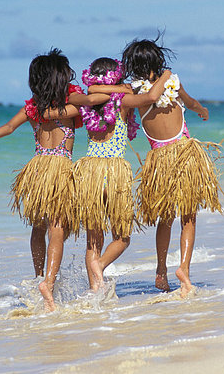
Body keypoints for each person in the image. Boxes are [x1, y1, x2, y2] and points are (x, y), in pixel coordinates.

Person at [0, 48, 109, 311]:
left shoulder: (34, 107)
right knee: (58, 228)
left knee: (38, 226)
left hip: (37, 170)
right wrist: (114, 90)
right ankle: (48, 284)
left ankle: (38, 277)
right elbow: (95, 99)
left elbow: (9, 127)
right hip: (59, 169)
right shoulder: (71, 101)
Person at [46, 57, 171, 291]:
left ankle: (96, 290)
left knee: (93, 240)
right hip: (114, 172)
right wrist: (165, 76)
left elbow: (57, 111)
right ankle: (100, 266)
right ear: (116, 77)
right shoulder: (123, 102)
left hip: (89, 173)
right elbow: (152, 96)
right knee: (122, 237)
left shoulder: (86, 103)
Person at [117, 36, 224, 297]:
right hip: (186, 155)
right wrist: (203, 111)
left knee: (165, 217)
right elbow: (191, 103)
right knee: (189, 216)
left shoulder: (134, 93)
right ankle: (184, 270)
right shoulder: (173, 84)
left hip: (159, 160)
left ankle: (161, 271)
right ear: (158, 60)